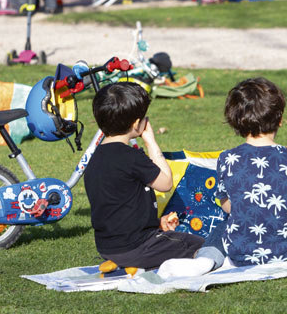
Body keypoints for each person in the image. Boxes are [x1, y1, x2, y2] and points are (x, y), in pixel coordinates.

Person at [83, 82, 209, 270]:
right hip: (138, 247)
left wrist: (156, 222)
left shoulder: (94, 159)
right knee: (205, 245)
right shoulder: (131, 157)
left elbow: (117, 207)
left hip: (108, 247)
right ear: (136, 124)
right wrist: (150, 142)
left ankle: (123, 263)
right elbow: (165, 183)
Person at [212, 78, 287, 264]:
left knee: (223, 226)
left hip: (243, 253)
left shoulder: (226, 159)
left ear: (235, 121)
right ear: (279, 120)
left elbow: (227, 204)